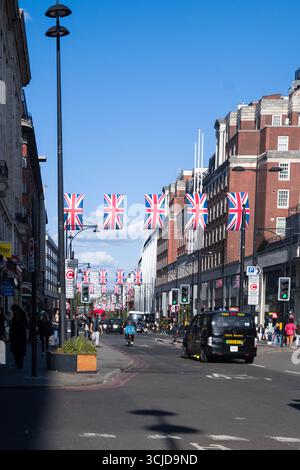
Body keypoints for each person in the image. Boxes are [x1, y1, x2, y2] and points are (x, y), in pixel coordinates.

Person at [9, 304, 28, 369]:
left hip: (20, 336)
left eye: (14, 310)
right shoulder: (15, 315)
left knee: (20, 351)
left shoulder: (22, 314)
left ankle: (19, 364)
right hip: (15, 336)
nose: (13, 312)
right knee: (15, 351)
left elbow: (23, 324)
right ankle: (17, 363)